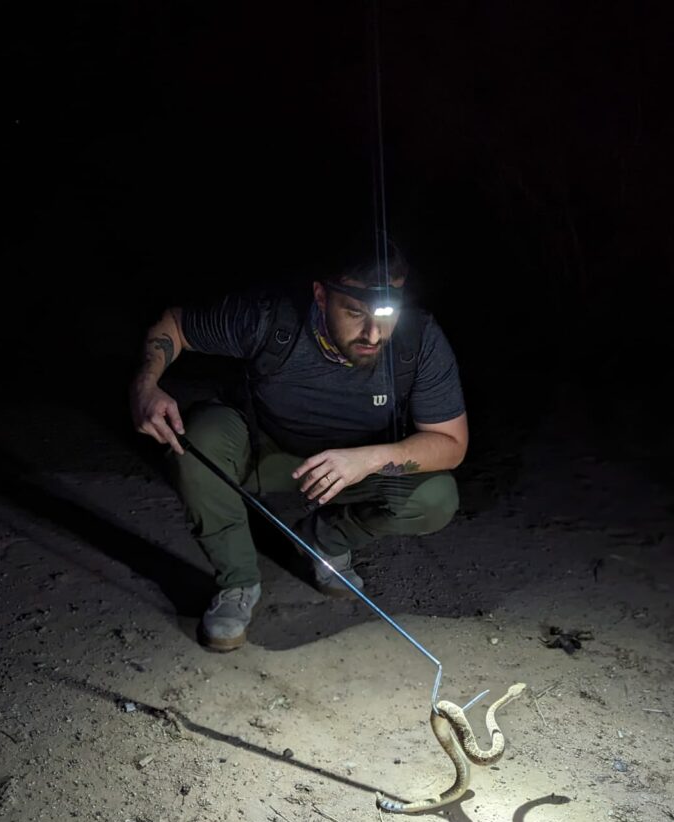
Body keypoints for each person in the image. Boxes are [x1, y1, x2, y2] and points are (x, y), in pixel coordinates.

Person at [129, 233, 468, 651]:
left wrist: (374, 457)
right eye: (354, 312)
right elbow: (176, 325)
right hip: (265, 452)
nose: (373, 333)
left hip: (353, 465)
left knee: (435, 496)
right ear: (321, 296)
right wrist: (146, 386)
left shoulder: (419, 340)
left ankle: (324, 541)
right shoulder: (270, 318)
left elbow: (451, 442)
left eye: (384, 314)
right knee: (196, 439)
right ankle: (238, 583)